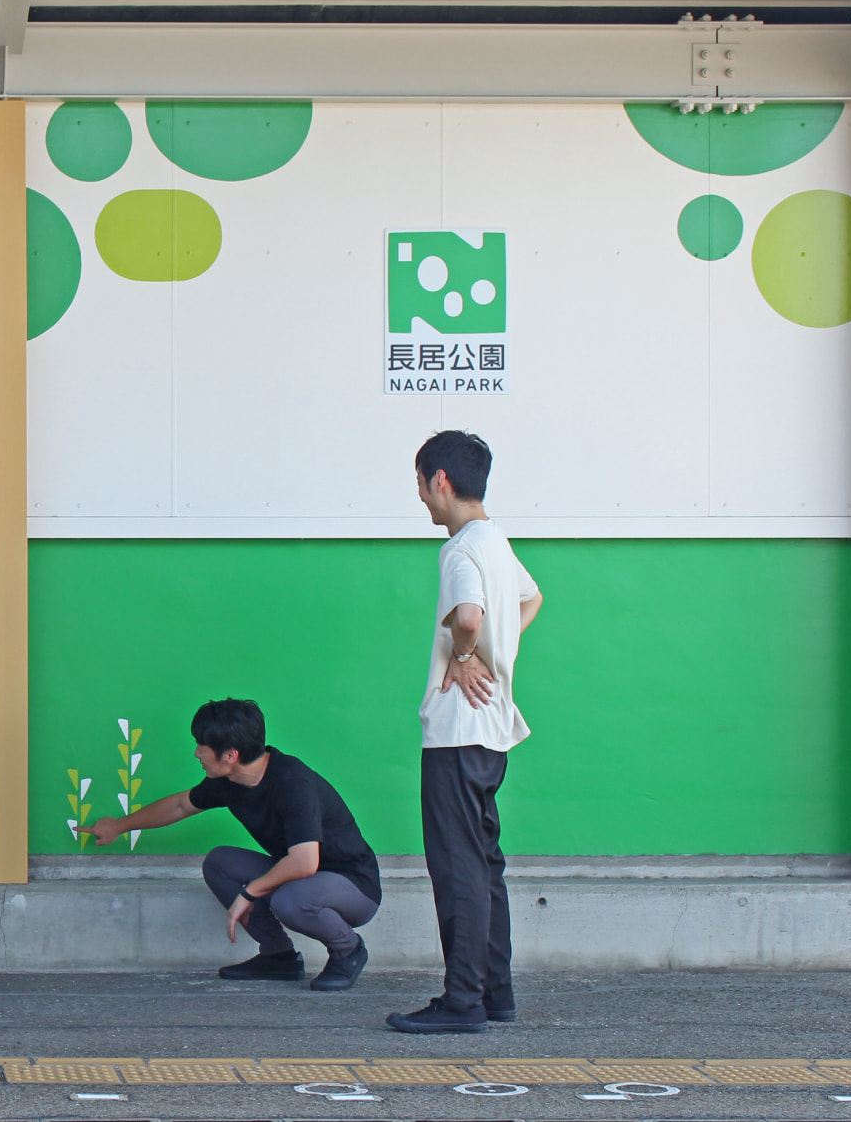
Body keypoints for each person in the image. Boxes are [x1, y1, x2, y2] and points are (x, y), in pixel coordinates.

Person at [387, 431, 544, 1034]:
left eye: (421, 485)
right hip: (492, 731)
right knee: (483, 865)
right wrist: (496, 655)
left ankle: (462, 1003)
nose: (422, 499)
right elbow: (532, 600)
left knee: (457, 869)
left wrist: (465, 652)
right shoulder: (496, 542)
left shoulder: (458, 551)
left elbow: (471, 617)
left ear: (441, 481)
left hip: (457, 730)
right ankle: (494, 994)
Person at [80, 698, 382, 993]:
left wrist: (249, 893)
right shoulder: (229, 782)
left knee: (289, 899)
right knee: (220, 863)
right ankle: (279, 957)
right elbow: (179, 806)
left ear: (230, 755)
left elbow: (304, 862)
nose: (197, 753)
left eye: (202, 746)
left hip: (353, 886)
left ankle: (348, 950)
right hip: (306, 879)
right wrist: (119, 826)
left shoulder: (292, 782)